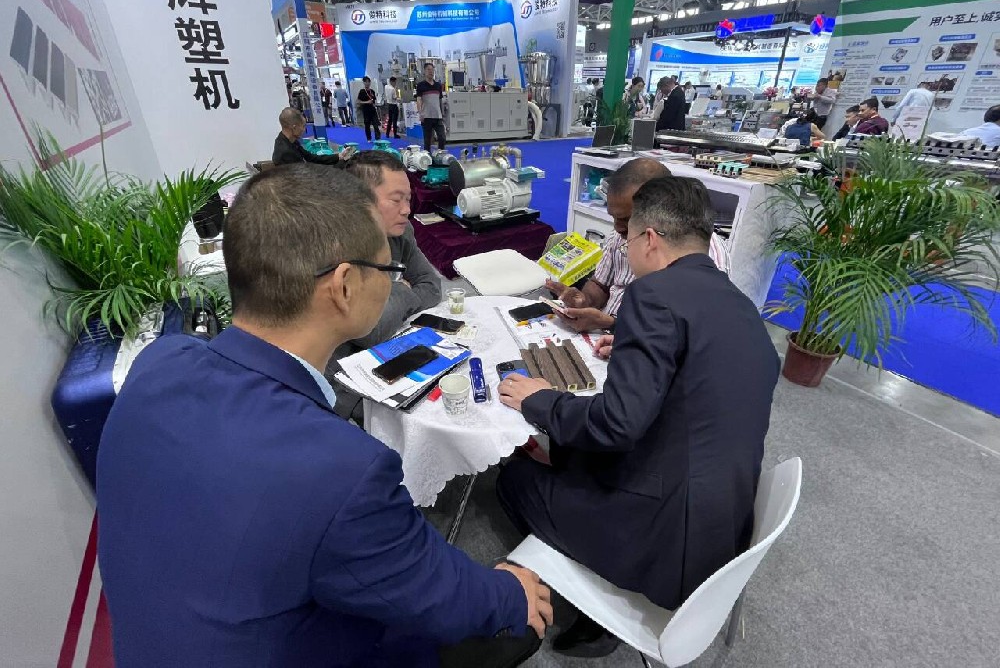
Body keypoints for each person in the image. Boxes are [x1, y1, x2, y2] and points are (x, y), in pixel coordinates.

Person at [97, 164, 552, 667]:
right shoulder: (344, 468)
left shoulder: (158, 362)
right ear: (344, 286)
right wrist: (510, 592)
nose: (394, 282)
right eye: (388, 272)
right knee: (516, 624)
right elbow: (442, 594)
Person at [497, 176, 779, 657]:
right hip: (721, 525)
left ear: (649, 239)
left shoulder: (654, 295)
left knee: (514, 479)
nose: (625, 250)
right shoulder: (740, 303)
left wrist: (539, 399)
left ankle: (594, 598)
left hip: (664, 542)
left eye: (627, 238)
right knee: (570, 449)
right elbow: (699, 384)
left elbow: (617, 424)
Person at [544, 158, 729, 333]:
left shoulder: (703, 253)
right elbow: (600, 284)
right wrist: (585, 301)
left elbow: (684, 332)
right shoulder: (619, 235)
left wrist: (613, 325)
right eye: (614, 217)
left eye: (627, 219)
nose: (618, 228)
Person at [329, 151, 442, 415]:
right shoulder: (335, 248)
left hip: (394, 351)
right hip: (346, 386)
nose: (407, 210)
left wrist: (393, 299)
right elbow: (369, 330)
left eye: (408, 199)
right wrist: (401, 290)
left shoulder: (400, 232)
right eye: (396, 199)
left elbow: (432, 286)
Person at [272, 107, 355, 167]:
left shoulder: (291, 141)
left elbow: (310, 157)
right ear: (294, 127)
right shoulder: (285, 152)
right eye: (303, 126)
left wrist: (339, 156)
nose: (304, 130)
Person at [416, 62, 447, 152]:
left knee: (442, 137)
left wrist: (442, 113)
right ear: (424, 71)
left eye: (432, 70)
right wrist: (420, 113)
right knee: (428, 140)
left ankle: (440, 154)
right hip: (426, 116)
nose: (431, 72)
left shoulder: (438, 86)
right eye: (429, 70)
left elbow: (440, 100)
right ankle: (427, 157)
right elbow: (419, 100)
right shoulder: (421, 85)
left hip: (437, 116)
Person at [357, 76, 381, 141]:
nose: (367, 83)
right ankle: (369, 138)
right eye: (366, 82)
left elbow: (374, 100)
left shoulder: (372, 91)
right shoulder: (362, 91)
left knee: (376, 124)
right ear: (364, 82)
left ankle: (378, 138)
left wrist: (374, 104)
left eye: (368, 82)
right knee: (367, 125)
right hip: (366, 110)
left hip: (373, 110)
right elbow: (358, 101)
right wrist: (366, 102)